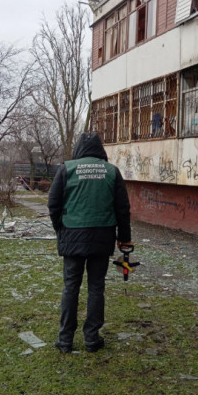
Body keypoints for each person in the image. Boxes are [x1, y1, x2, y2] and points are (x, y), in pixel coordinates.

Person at [47, 132, 131, 353]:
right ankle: (92, 339)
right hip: (102, 238)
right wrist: (124, 237)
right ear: (100, 149)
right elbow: (122, 209)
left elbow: (53, 204)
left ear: (78, 149)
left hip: (72, 236)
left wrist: (61, 228)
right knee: (96, 287)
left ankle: (65, 340)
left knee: (70, 287)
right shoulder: (112, 172)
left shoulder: (67, 169)